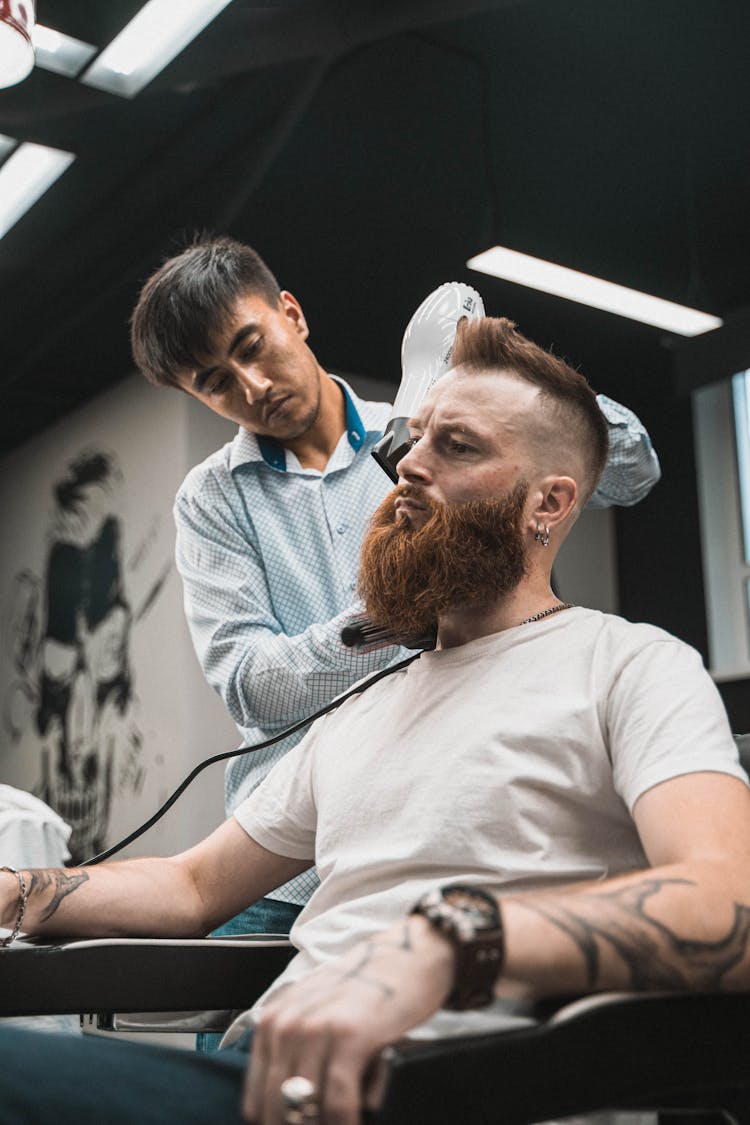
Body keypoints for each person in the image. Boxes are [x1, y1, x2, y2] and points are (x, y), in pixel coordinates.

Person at [1, 314, 746, 1125]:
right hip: (267, 1084)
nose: (404, 466)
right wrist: (14, 892)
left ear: (550, 502)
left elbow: (729, 901)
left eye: (456, 446)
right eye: (411, 440)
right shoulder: (362, 709)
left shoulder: (630, 665)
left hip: (437, 1087)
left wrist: (449, 939)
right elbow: (192, 886)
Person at [129, 237, 663, 949]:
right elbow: (253, 687)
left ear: (292, 313)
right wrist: (390, 618)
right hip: (275, 870)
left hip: (438, 825)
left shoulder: (432, 429)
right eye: (216, 382)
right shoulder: (211, 501)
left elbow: (633, 470)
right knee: (244, 1054)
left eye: (252, 346)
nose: (252, 386)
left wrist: (503, 375)